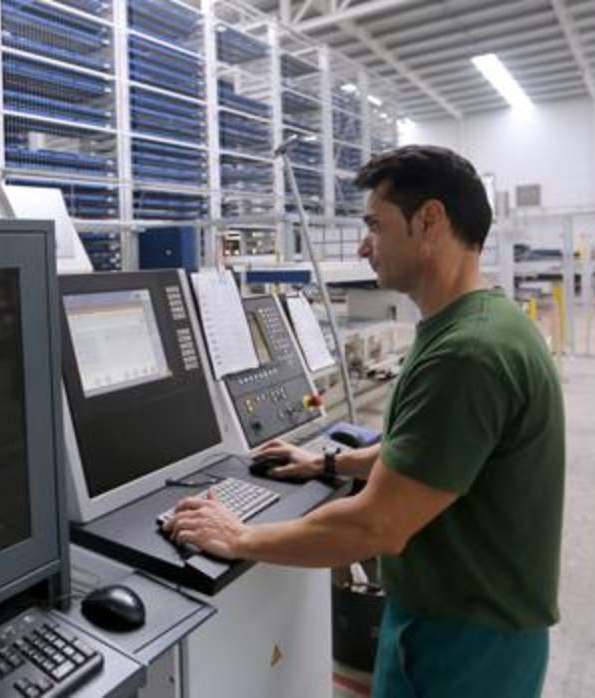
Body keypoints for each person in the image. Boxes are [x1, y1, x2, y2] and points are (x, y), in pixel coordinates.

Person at [163, 145, 565, 698]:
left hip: (466, 645)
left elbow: (376, 526)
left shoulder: (467, 354)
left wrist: (240, 536)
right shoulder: (479, 324)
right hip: (454, 621)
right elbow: (430, 451)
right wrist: (328, 461)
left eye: (375, 225)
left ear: (429, 221)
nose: (363, 245)